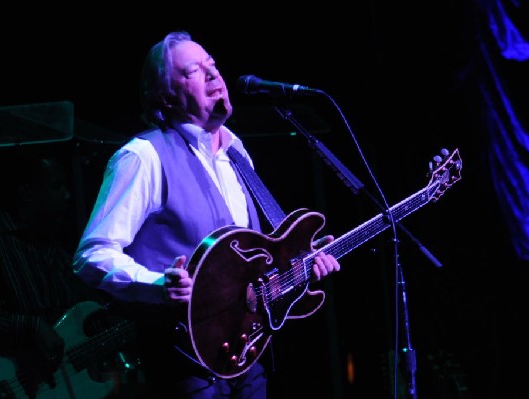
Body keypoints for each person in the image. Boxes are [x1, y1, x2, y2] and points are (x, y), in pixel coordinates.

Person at [73, 30, 341, 399]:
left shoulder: (238, 153)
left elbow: (258, 264)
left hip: (247, 353)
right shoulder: (143, 156)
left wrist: (305, 263)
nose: (213, 74)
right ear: (166, 96)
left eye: (212, 65)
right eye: (192, 71)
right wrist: (155, 285)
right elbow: (92, 254)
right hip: (181, 358)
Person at [0, 147, 135, 399]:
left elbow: (78, 315)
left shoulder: (55, 248)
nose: (67, 195)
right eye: (56, 187)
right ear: (27, 193)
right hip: (8, 382)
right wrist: (29, 327)